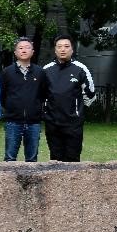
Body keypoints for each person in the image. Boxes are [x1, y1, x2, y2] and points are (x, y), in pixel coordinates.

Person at [43, 34, 96, 162]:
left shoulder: (81, 69)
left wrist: (77, 111)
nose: (63, 49)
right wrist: (46, 113)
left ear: (72, 49)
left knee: (73, 160)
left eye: (66, 46)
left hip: (73, 124)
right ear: (55, 50)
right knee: (55, 159)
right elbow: (41, 95)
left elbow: (90, 94)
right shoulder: (46, 70)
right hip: (52, 123)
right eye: (59, 46)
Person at [0, 37, 46, 162]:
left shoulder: (40, 73)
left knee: (32, 159)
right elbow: (2, 95)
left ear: (33, 51)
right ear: (15, 52)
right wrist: (11, 109)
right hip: (13, 122)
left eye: (27, 47)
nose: (24, 50)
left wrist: (37, 110)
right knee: (10, 158)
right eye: (20, 48)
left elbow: (43, 94)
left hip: (34, 122)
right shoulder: (7, 72)